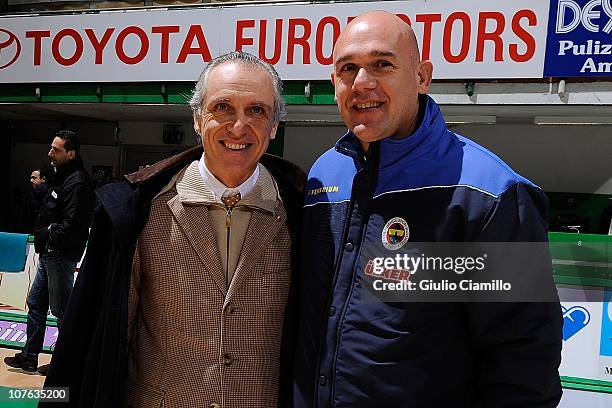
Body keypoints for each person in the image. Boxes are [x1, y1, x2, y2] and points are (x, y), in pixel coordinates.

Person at [294, 11, 563, 408]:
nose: (362, 83)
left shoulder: (487, 192)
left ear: (422, 77)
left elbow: (523, 356)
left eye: (382, 64)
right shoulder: (323, 176)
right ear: (334, 81)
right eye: (348, 68)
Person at [42, 52, 305, 408]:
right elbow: (86, 337)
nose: (239, 126)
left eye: (257, 110)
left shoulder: (303, 214)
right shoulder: (135, 211)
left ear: (274, 125)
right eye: (223, 107)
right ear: (198, 118)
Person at [5, 131, 94, 375]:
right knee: (36, 303)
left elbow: (71, 224)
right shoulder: (61, 178)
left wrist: (46, 232)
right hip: (49, 255)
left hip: (60, 256)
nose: (50, 153)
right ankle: (30, 356)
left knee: (62, 311)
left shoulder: (77, 182)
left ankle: (67, 363)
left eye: (56, 150)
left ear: (71, 153)